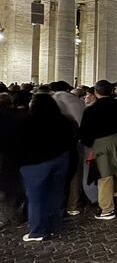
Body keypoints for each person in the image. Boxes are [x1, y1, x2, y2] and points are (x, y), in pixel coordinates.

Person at [14, 93, 76, 241]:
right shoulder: (63, 120)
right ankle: (54, 225)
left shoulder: (26, 122)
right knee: (56, 193)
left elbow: (18, 145)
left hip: (35, 164)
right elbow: (70, 139)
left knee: (36, 198)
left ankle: (38, 231)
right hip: (60, 160)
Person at [79, 80, 117, 220]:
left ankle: (107, 209)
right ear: (112, 91)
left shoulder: (91, 110)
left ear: (96, 93)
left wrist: (90, 143)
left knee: (105, 177)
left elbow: (85, 133)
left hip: (102, 143)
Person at [50, 80, 85, 216]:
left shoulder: (54, 100)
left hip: (60, 142)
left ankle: (59, 206)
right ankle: (73, 205)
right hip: (77, 140)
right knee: (75, 174)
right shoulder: (76, 100)